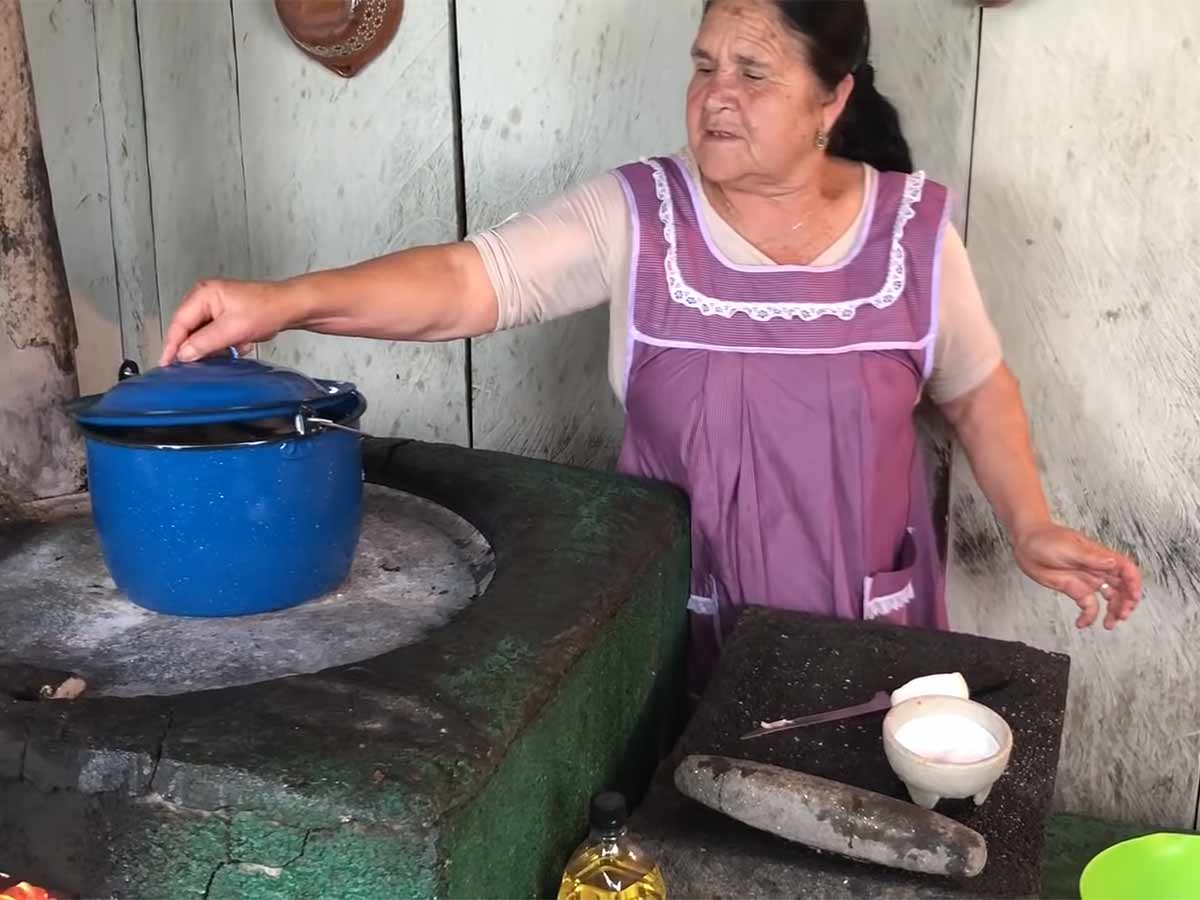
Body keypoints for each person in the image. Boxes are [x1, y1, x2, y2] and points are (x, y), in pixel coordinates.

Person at [160, 0, 1140, 691]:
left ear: (832, 99)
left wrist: (1028, 520)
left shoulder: (913, 233)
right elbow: (468, 280)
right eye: (704, 64)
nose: (717, 94)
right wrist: (281, 301)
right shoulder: (642, 214)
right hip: (678, 636)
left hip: (868, 644)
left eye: (754, 73)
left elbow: (975, 387)